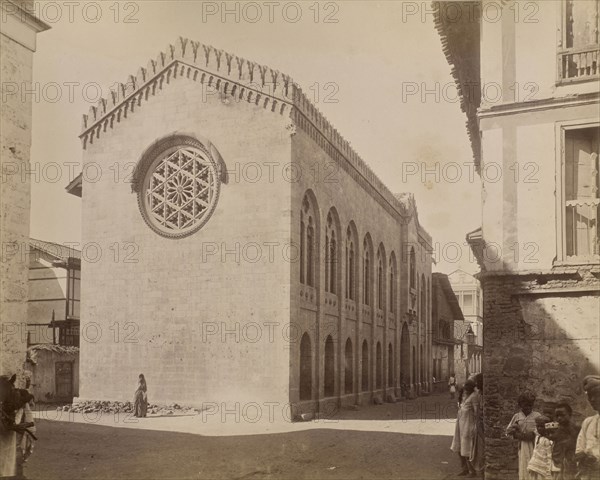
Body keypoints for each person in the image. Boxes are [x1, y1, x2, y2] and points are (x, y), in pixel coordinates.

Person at [506, 391, 542, 480]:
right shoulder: (517, 416)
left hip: (535, 445)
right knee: (524, 465)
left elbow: (539, 431)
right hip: (522, 445)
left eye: (530, 405)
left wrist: (532, 434)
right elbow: (508, 431)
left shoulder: (537, 416)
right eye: (526, 405)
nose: (528, 407)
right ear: (520, 405)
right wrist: (515, 431)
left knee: (535, 466)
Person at [451, 379, 480, 477]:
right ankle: (464, 469)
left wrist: (475, 427)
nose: (465, 390)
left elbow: (476, 414)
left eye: (467, 388)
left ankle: (472, 471)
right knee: (459, 448)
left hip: (468, 426)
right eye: (465, 388)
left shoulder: (474, 397)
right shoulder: (465, 397)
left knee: (467, 449)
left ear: (471, 388)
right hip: (460, 426)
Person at [576, 375, 600, 480]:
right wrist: (582, 458)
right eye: (590, 396)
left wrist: (596, 461)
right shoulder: (588, 422)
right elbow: (579, 449)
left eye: (597, 395)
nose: (592, 399)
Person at [547, 403, 579, 480]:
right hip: (558, 460)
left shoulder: (575, 428)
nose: (559, 418)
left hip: (571, 460)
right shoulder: (557, 428)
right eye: (557, 416)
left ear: (570, 414)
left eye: (562, 415)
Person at [528, 416, 554, 480]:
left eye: (542, 426)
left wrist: (548, 472)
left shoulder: (547, 441)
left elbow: (549, 457)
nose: (539, 428)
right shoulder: (537, 437)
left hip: (542, 470)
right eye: (538, 426)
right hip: (534, 467)